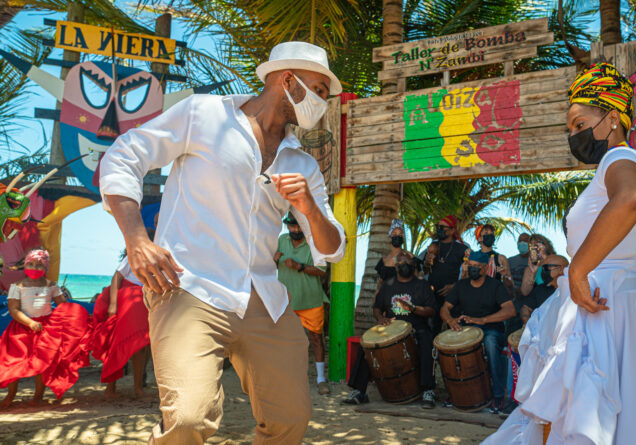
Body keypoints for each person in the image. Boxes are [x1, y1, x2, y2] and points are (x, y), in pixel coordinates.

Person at [99, 41, 345, 444]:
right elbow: (124, 156)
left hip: (264, 298)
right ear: (288, 80)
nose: (322, 102)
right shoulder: (204, 114)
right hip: (187, 288)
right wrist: (136, 239)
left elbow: (332, 248)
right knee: (189, 420)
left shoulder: (302, 163)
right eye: (318, 90)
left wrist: (310, 208)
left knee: (291, 419)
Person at [485, 63, 636, 444]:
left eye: (579, 124)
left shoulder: (620, 159)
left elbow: (631, 198)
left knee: (573, 421)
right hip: (625, 305)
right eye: (570, 129)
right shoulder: (632, 164)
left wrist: (578, 272)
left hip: (601, 306)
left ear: (613, 118)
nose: (574, 135)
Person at [343, 252, 438, 408]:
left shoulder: (422, 285)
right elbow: (376, 308)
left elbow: (432, 311)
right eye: (401, 264)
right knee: (366, 345)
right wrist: (381, 319)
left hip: (415, 326)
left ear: (414, 265)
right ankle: (359, 391)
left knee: (427, 341)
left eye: (408, 263)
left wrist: (414, 309)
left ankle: (428, 390)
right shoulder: (388, 285)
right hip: (391, 327)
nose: (405, 266)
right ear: (396, 266)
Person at [0, 249, 90, 407]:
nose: (34, 268)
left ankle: (38, 397)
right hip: (21, 328)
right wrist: (30, 323)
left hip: (45, 329)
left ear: (46, 268)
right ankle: (10, 396)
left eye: (39, 265)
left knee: (41, 363)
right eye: (31, 264)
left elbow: (64, 305)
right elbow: (14, 309)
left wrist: (79, 318)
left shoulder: (51, 285)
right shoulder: (17, 286)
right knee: (13, 363)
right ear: (25, 264)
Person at [441, 251, 515, 414]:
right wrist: (450, 320)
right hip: (466, 328)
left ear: (485, 267)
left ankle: (497, 395)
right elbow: (445, 308)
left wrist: (483, 320)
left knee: (490, 343)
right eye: (471, 266)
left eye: (477, 267)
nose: (473, 269)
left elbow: (510, 310)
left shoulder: (495, 285)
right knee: (448, 345)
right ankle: (455, 393)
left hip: (490, 329)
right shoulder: (461, 286)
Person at [275, 212, 330, 395]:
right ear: (287, 226)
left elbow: (322, 271)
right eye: (292, 226)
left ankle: (321, 379)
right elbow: (267, 266)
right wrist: (273, 261)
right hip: (287, 301)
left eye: (299, 226)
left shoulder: (315, 243)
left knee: (316, 339)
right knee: (285, 340)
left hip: (311, 300)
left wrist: (299, 266)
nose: (295, 230)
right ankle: (286, 378)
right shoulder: (281, 240)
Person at [88, 250, 151, 399]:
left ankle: (138, 387)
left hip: (145, 300)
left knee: (141, 345)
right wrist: (113, 304)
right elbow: (117, 276)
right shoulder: (135, 255)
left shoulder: (161, 257)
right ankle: (111, 387)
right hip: (128, 300)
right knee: (118, 343)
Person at [424, 215, 470, 332]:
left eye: (442, 227)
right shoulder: (432, 246)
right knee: (432, 331)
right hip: (433, 296)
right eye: (437, 226)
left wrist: (454, 287)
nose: (439, 229)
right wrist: (427, 263)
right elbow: (423, 271)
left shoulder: (463, 248)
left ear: (452, 230)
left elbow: (469, 273)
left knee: (456, 329)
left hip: (455, 297)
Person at [517, 255, 568, 325]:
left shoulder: (571, 289)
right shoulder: (540, 289)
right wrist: (527, 322)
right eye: (542, 268)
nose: (543, 271)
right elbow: (526, 309)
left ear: (561, 269)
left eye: (547, 267)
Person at [374, 219, 417, 290]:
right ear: (390, 237)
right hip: (386, 297)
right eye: (394, 234)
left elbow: (417, 279)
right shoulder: (384, 260)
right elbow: (380, 284)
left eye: (400, 234)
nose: (397, 236)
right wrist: (376, 299)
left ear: (403, 238)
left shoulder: (409, 257)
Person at [507, 233, 532, 298]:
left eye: (525, 240)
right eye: (520, 240)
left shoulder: (535, 263)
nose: (522, 242)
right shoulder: (509, 261)